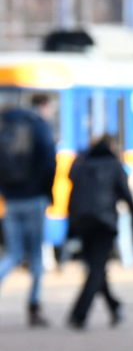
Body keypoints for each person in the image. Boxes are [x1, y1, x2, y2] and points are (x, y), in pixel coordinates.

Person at [66, 135, 133, 329]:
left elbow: (73, 197)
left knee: (96, 268)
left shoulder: (81, 164)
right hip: (104, 222)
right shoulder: (113, 165)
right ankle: (79, 314)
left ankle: (114, 306)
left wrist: (71, 227)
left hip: (83, 222)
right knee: (97, 269)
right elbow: (127, 195)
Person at [0, 93, 58, 327]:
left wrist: (5, 191)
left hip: (11, 200)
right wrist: (47, 192)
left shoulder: (4, 128)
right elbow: (49, 161)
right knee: (35, 255)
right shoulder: (37, 126)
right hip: (35, 198)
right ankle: (34, 307)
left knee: (12, 254)